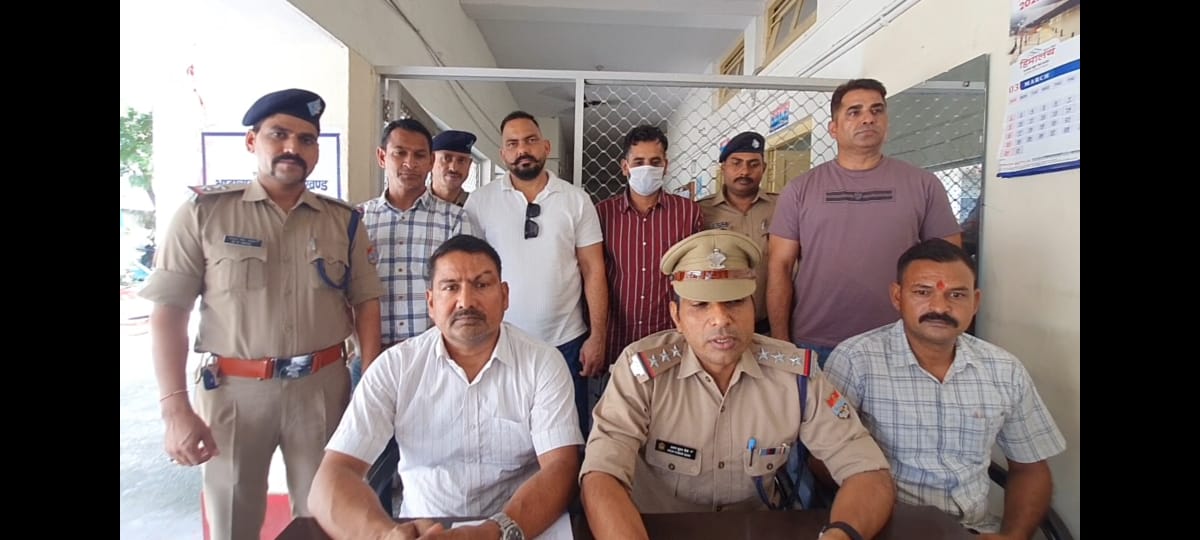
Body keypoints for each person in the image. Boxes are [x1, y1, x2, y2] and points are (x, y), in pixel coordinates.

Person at [140, 88, 384, 539]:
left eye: (306, 139)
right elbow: (169, 311)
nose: (293, 147)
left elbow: (366, 302)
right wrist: (174, 407)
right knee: (233, 518)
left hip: (322, 390)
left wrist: (367, 385)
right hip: (235, 392)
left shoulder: (343, 221)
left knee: (326, 517)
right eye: (279, 135)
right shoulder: (204, 214)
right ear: (252, 141)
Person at [579, 229, 895, 540]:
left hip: (758, 530)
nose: (720, 319)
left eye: (734, 301)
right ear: (676, 316)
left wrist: (840, 536)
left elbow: (867, 470)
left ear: (753, 306)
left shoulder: (794, 374)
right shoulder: (641, 372)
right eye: (700, 305)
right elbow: (602, 475)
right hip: (656, 531)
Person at [308, 234, 583, 540]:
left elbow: (561, 468)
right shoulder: (396, 367)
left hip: (518, 528)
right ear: (431, 302)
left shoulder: (542, 363)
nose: (466, 302)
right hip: (425, 530)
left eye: (481, 285)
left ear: (504, 296)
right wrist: (386, 536)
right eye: (451, 287)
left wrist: (492, 533)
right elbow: (332, 477)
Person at [823, 239, 1066, 538]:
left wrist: (1013, 536)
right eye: (923, 292)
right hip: (887, 528)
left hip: (975, 530)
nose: (940, 307)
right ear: (897, 296)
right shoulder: (856, 360)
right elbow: (822, 461)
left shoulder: (1004, 370)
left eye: (957, 295)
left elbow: (1030, 469)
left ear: (975, 302)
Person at [766, 78, 962, 368]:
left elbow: (950, 265)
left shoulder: (923, 185)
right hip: (817, 342)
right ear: (833, 128)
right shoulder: (799, 190)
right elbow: (779, 267)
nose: (868, 118)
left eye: (877, 110)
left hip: (902, 340)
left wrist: (938, 335)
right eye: (854, 112)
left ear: (887, 122)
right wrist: (782, 343)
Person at [464, 111, 608, 436]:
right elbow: (471, 275)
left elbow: (594, 270)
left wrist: (597, 336)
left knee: (567, 437)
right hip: (501, 344)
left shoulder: (577, 200)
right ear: (503, 153)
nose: (522, 150)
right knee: (506, 437)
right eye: (512, 144)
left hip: (566, 343)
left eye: (530, 140)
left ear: (546, 146)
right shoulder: (480, 202)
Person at [350, 119, 473, 390]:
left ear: (430, 162)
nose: (410, 163)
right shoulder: (358, 220)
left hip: (434, 360)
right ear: (382, 157)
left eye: (419, 155)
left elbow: (461, 294)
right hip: (371, 360)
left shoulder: (454, 219)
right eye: (400, 153)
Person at [595, 125, 702, 366]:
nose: (647, 168)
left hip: (669, 336)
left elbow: (695, 276)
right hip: (617, 337)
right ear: (625, 167)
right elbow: (593, 273)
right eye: (639, 162)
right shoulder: (602, 214)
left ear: (666, 165)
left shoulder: (688, 213)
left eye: (655, 162)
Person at [698, 131, 777, 334]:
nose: (744, 171)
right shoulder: (701, 211)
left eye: (753, 164)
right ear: (723, 168)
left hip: (771, 322)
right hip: (720, 324)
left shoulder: (781, 206)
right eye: (736, 163)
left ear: (764, 168)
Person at [429, 129, 477, 207]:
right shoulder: (412, 202)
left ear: (469, 164)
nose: (454, 168)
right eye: (447, 159)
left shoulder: (477, 207)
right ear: (430, 161)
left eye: (461, 160)